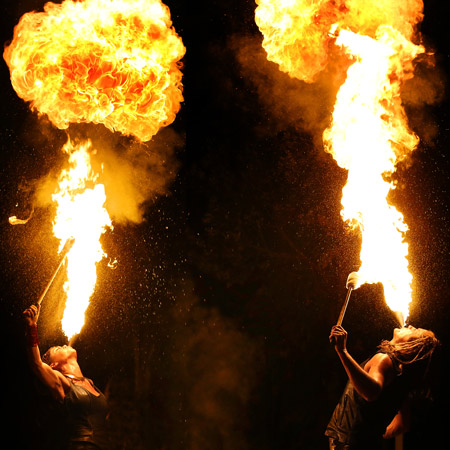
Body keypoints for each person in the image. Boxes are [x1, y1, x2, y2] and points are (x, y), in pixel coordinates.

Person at [325, 324, 439, 450]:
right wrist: (372, 434)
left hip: (348, 444)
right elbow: (402, 424)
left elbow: (372, 392)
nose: (411, 326)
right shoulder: (401, 376)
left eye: (415, 331)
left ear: (412, 346)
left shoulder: (384, 359)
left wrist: (342, 351)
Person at [23, 304, 109, 449]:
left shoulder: (90, 382)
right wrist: (31, 326)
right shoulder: (61, 382)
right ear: (53, 364)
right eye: (57, 348)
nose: (63, 345)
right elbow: (36, 363)